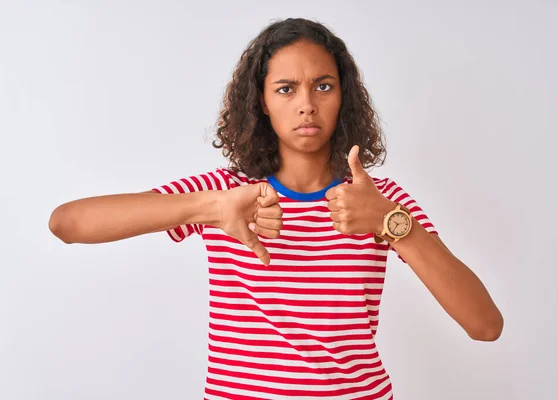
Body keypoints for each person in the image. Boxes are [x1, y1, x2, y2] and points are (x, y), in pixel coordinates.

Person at [49, 17, 503, 400]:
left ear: (343, 96)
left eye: (322, 86)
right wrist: (209, 207)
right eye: (286, 89)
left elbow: (485, 324)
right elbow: (68, 223)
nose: (306, 105)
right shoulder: (226, 191)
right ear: (261, 103)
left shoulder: (376, 199)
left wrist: (390, 224)